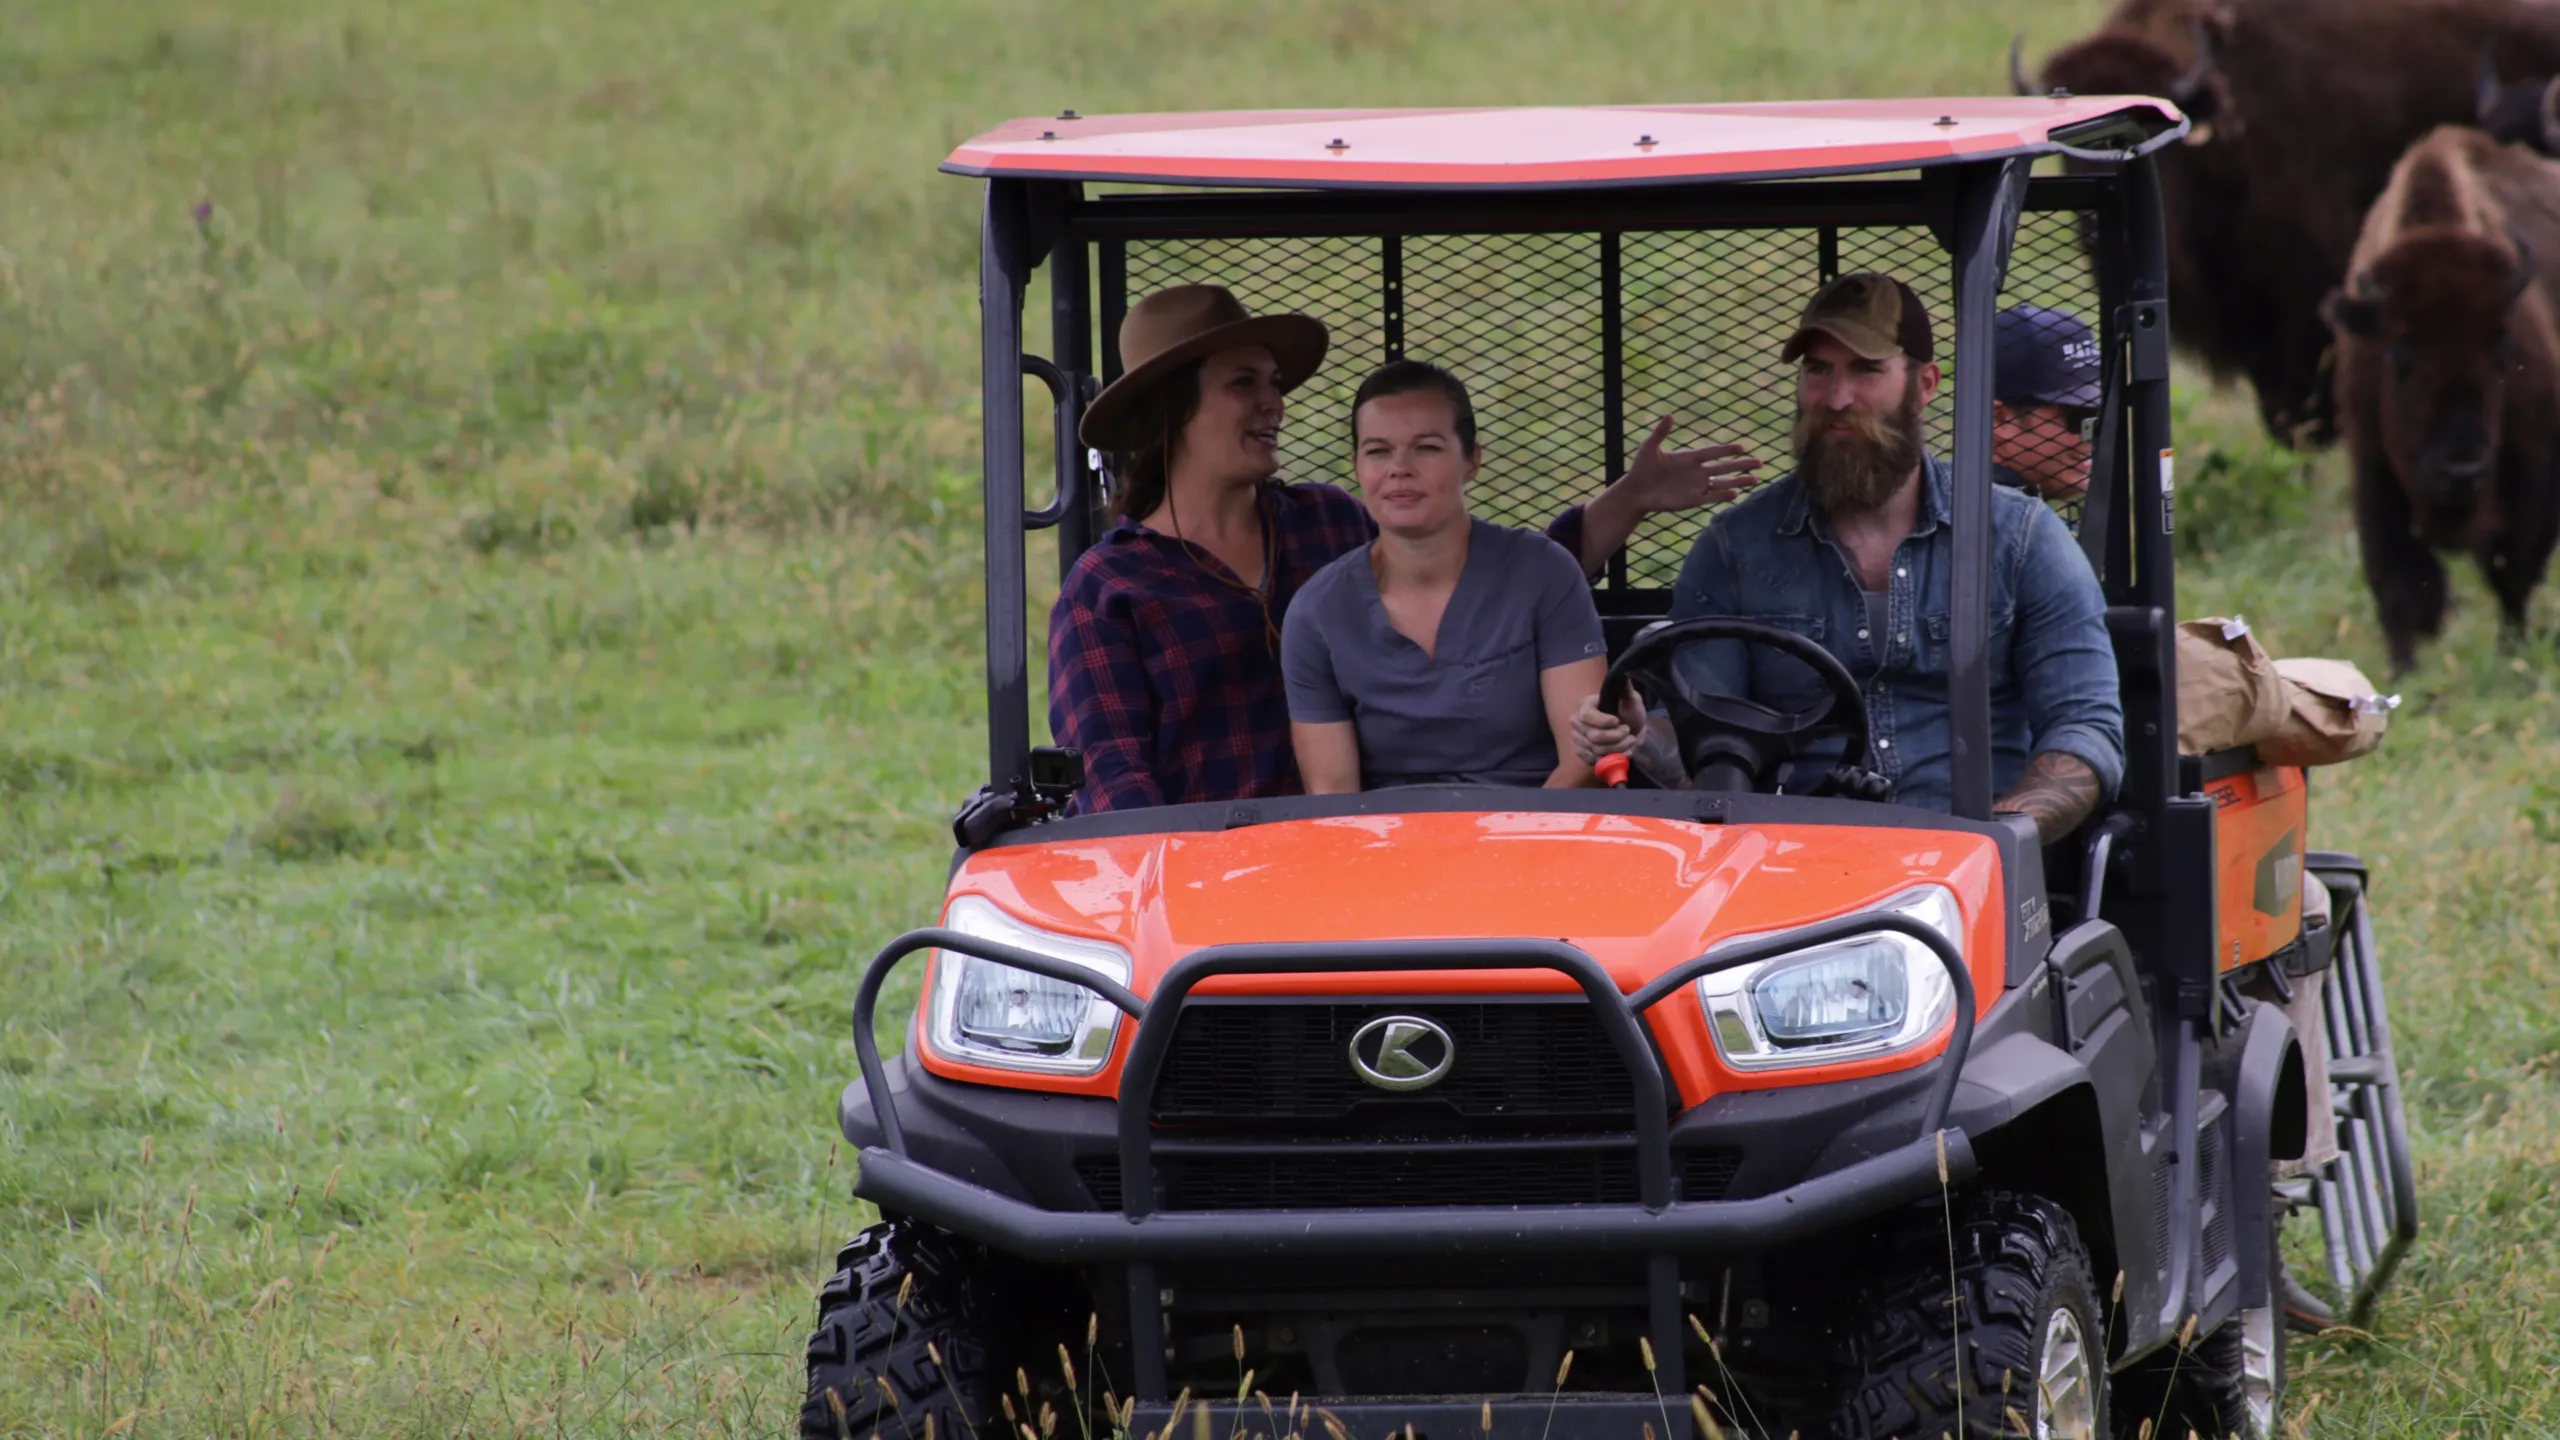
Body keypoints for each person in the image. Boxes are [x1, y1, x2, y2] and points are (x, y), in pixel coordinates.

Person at [1050, 284, 1760, 813]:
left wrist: (1629, 499)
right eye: (1244, 384)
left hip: (1357, 847)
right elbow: (1114, 779)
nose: (1275, 403)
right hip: (1213, 871)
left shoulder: (1325, 521)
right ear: (1172, 408)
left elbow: (1481, 584)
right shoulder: (1111, 588)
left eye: (1275, 384)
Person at [1573, 273, 2124, 844]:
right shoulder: (1734, 549)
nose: (1837, 399)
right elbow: (1702, 745)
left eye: (1866, 371)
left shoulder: (2021, 539)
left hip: (1972, 858)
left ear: (1924, 384)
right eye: (1819, 370)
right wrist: (1637, 735)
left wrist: (1998, 841)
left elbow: (2086, 729)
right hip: (1789, 860)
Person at [1282, 362, 1607, 792]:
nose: (1399, 468)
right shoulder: (1317, 611)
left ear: (1472, 460)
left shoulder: (1545, 572)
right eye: (1378, 451)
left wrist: (1514, 832)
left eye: (1427, 448)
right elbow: (1334, 798)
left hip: (1538, 822)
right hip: (1386, 832)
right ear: (1357, 465)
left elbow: (1586, 761)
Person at [1992, 303, 2103, 500]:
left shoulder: (1959, 498)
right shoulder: (1999, 516)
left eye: (2098, 415)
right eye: (2078, 418)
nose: (2090, 439)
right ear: (1999, 420)